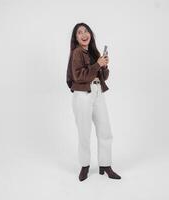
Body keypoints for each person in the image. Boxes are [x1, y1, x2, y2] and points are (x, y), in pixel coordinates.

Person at [66, 23, 121, 181]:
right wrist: (98, 64)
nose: (84, 34)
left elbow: (103, 76)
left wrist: (104, 65)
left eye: (86, 31)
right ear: (76, 38)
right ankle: (84, 166)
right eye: (79, 32)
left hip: (97, 92)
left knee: (105, 130)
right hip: (83, 94)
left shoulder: (93, 52)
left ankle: (105, 164)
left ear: (91, 34)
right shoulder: (77, 52)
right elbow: (79, 76)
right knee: (84, 132)